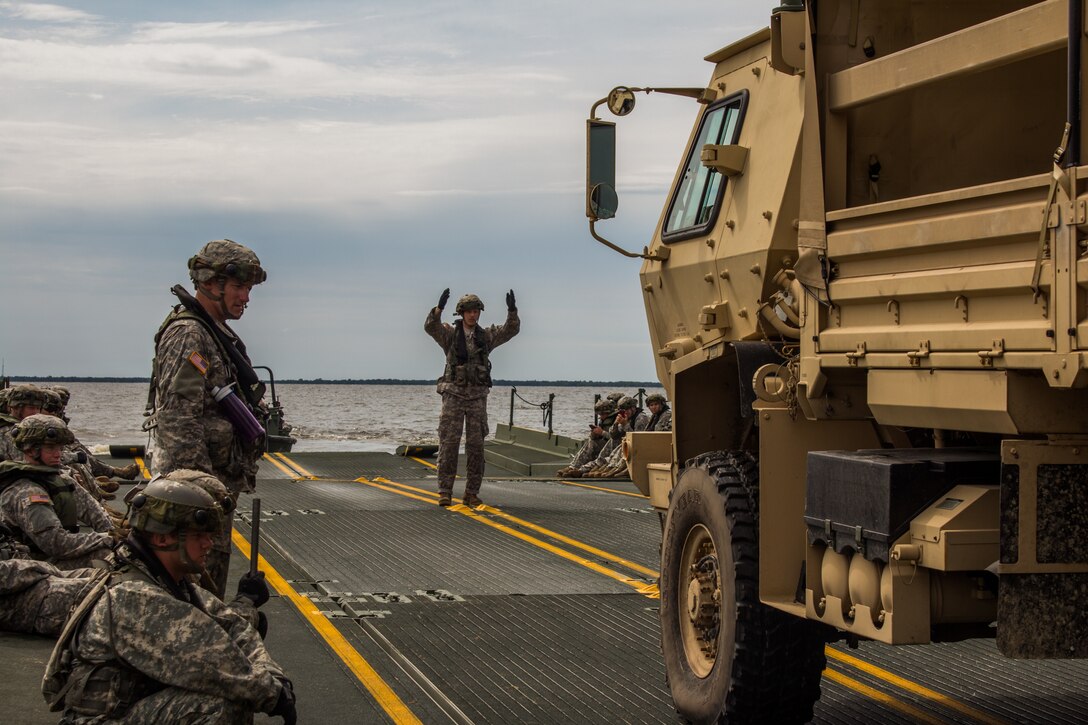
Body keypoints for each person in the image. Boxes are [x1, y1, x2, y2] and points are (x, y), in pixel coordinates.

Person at [43, 472, 295, 724]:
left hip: (129, 708)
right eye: (198, 536)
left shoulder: (162, 578)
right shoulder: (135, 598)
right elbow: (217, 661)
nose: (209, 543)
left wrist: (274, 677)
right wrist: (274, 693)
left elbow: (233, 626)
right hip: (102, 719)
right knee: (222, 704)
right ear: (161, 538)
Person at [146, 239, 269, 599]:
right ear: (212, 284)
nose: (245, 297)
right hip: (196, 502)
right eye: (239, 287)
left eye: (247, 288)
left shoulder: (213, 333)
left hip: (208, 494)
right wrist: (200, 498)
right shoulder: (190, 334)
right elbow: (178, 419)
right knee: (196, 598)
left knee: (205, 594)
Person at [424, 288, 520, 508]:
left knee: (476, 447)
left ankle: (471, 492)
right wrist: (438, 309)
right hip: (453, 397)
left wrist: (512, 310)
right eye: (468, 311)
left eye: (476, 311)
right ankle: (445, 491)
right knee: (448, 444)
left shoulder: (485, 337)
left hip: (477, 397)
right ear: (461, 313)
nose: (473, 315)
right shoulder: (449, 334)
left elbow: (510, 330)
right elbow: (430, 327)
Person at [0, 414, 114, 569]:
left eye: (60, 448)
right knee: (106, 556)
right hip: (31, 567)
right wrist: (106, 539)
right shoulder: (25, 491)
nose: (58, 454)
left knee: (122, 553)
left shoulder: (58, 478)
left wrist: (115, 535)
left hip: (55, 558)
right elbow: (56, 544)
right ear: (31, 450)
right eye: (51, 448)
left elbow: (94, 513)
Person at [0, 523, 101, 636]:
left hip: (34, 580)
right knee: (101, 590)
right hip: (32, 602)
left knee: (104, 575)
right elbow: (58, 543)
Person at [556, 398, 618, 477]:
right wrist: (594, 434)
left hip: (613, 447)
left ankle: (581, 469)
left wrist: (602, 433)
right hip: (604, 445)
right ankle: (574, 466)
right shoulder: (604, 420)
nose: (601, 417)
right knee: (590, 442)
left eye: (602, 414)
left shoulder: (616, 421)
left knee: (593, 446)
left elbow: (617, 438)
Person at [0, 384, 48, 462]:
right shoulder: (9, 432)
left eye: (38, 408)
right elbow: (26, 463)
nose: (36, 413)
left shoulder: (28, 428)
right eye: (31, 408)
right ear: (16, 408)